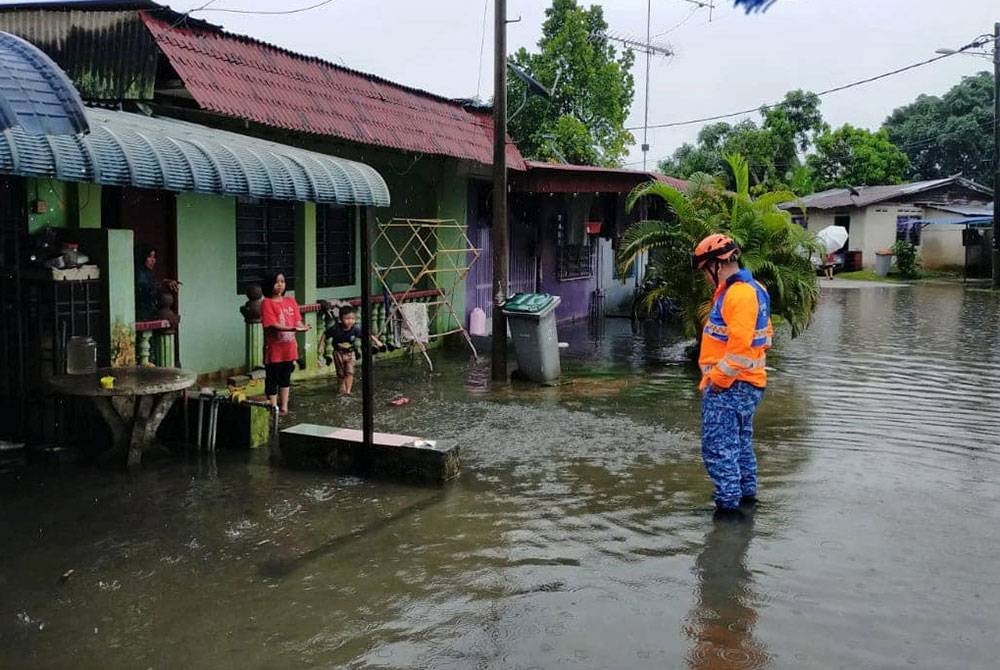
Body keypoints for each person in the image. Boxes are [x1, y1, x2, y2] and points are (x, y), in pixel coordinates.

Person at [692, 234, 773, 521]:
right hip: (749, 383)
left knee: (719, 447)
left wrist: (717, 381)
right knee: (740, 444)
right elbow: (766, 338)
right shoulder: (755, 289)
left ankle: (727, 513)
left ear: (716, 264)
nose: (704, 276)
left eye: (704, 270)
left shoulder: (739, 295)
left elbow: (738, 350)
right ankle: (745, 497)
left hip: (731, 386)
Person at [260, 272, 310, 416]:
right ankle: (274, 407)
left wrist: (303, 326)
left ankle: (284, 407)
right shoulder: (267, 303)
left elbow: (297, 320)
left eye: (282, 281)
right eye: (277, 282)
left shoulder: (291, 301)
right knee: (272, 378)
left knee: (285, 378)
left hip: (289, 348)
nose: (280, 284)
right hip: (274, 349)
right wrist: (294, 328)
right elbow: (272, 325)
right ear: (270, 285)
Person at [319, 305, 382, 395]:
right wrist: (321, 346)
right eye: (347, 319)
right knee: (341, 373)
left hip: (350, 353)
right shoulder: (335, 329)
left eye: (352, 318)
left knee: (349, 372)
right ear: (341, 319)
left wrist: (376, 341)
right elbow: (325, 334)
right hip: (338, 353)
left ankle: (348, 391)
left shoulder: (355, 329)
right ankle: (341, 389)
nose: (350, 321)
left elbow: (366, 334)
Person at [134, 244, 180, 321]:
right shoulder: (138, 272)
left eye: (154, 257)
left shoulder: (148, 273)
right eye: (149, 257)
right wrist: (162, 284)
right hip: (142, 314)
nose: (153, 260)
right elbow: (145, 286)